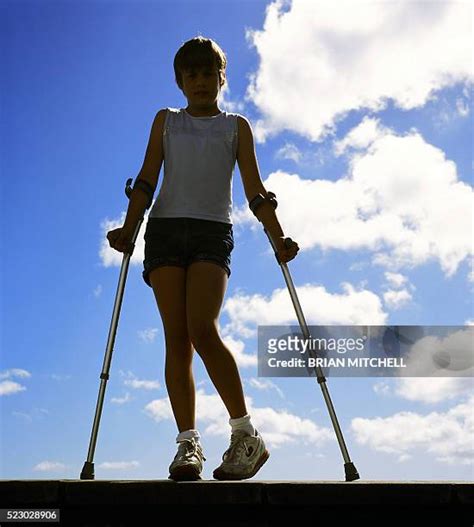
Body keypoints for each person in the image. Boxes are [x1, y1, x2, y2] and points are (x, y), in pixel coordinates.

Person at [107, 36, 299, 481]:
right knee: (177, 336)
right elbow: (147, 178)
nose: (199, 81)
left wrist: (279, 237)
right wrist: (129, 226)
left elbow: (255, 189)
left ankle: (245, 433)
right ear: (179, 80)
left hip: (213, 231)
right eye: (190, 74)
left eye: (207, 72)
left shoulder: (236, 127)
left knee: (201, 328)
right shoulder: (166, 121)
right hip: (166, 230)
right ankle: (187, 444)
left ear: (221, 77)